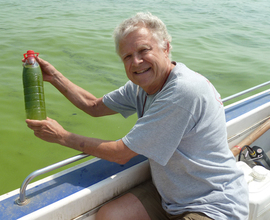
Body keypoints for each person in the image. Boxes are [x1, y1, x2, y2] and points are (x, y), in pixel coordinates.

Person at [26, 12, 249, 220]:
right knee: (109, 215)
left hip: (213, 205)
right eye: (127, 56)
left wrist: (62, 136)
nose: (136, 62)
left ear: (166, 48)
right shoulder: (140, 87)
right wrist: (54, 77)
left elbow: (120, 154)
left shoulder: (183, 91)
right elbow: (93, 106)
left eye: (144, 50)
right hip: (171, 197)